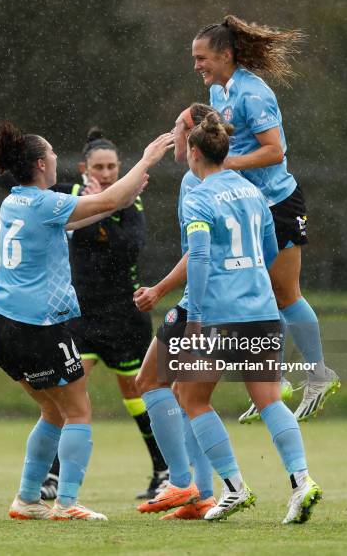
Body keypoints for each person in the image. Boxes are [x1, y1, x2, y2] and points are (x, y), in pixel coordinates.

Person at [0, 128, 168, 500]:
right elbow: (111, 198)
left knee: (53, 412)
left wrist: (112, 203)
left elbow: (90, 214)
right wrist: (147, 158)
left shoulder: (16, 201)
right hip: (38, 325)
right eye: (53, 152)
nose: (58, 157)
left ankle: (28, 498)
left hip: (1, 323)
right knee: (78, 411)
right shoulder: (48, 203)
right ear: (41, 164)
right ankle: (68, 502)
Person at [141, 113, 322, 523]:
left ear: (194, 152)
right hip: (261, 312)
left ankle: (234, 487)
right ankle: (302, 482)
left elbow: (200, 255)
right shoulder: (252, 192)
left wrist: (198, 315)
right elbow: (271, 250)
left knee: (191, 399)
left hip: (219, 315)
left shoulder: (198, 196)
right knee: (270, 401)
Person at [191, 14, 340, 423]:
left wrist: (228, 163)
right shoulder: (223, 92)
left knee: (285, 293)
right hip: (251, 206)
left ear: (225, 54)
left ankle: (319, 374)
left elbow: (275, 151)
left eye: (202, 57)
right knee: (262, 293)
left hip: (278, 203)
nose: (197, 65)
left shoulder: (253, 93)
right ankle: (272, 382)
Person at [134, 103, 221, 521]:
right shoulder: (229, 180)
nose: (170, 133)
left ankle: (182, 482)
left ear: (190, 136)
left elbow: (198, 252)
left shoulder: (194, 183)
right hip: (230, 299)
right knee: (183, 397)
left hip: (199, 303)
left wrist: (161, 288)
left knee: (149, 381)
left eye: (175, 126)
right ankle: (201, 493)